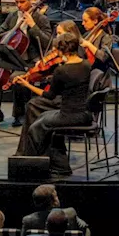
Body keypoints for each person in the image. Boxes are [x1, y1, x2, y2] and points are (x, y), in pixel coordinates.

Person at [14, 33, 92, 177]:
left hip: (68, 116)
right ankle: (58, 163)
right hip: (85, 114)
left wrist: (27, 84)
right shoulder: (87, 65)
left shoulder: (61, 71)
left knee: (35, 128)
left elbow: (49, 95)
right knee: (43, 117)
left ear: (62, 51)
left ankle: (35, 166)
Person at [0, 0, 51, 126]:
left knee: (17, 78)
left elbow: (47, 42)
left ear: (30, 0)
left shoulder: (40, 19)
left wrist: (33, 26)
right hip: (10, 58)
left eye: (22, 2)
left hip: (29, 61)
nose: (19, 5)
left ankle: (19, 114)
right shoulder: (12, 16)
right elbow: (2, 30)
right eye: (16, 2)